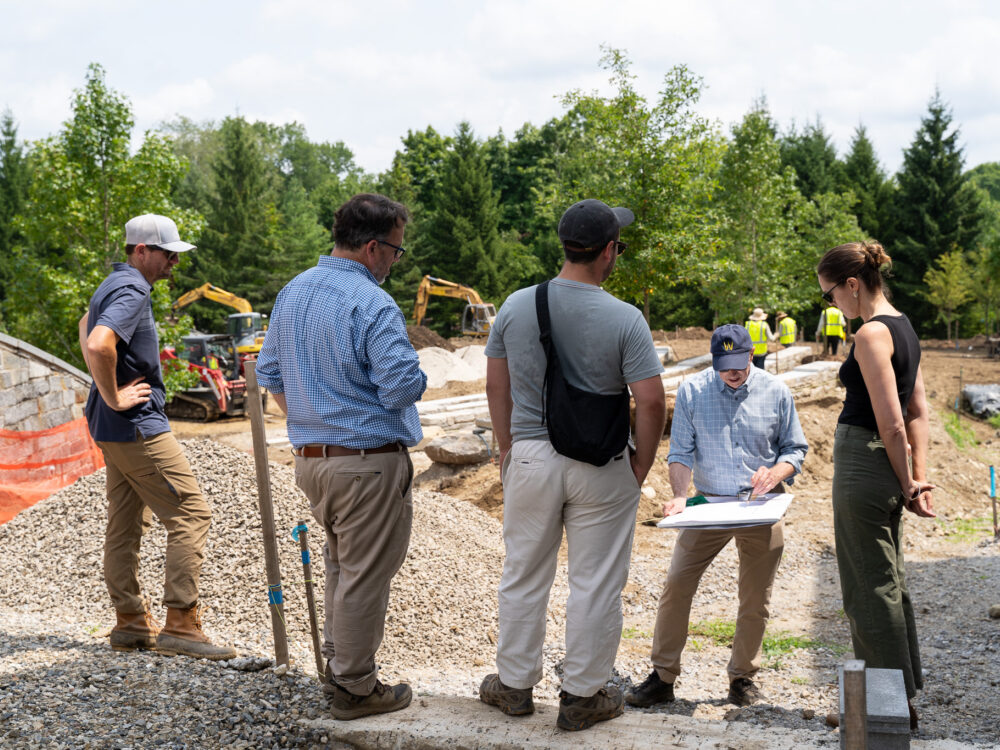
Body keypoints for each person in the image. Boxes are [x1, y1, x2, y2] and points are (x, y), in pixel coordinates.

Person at [478, 199, 666, 731]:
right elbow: (650, 401)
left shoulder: (515, 306)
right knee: (596, 581)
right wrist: (640, 468)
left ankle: (513, 686)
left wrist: (508, 448)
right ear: (607, 251)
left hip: (532, 456)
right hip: (602, 463)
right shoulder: (625, 319)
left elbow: (497, 383)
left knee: (523, 573)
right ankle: (583, 696)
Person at [255, 193, 426, 721]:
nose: (396, 263)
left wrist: (314, 419)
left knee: (341, 569)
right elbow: (400, 387)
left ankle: (341, 668)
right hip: (367, 461)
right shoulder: (372, 302)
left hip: (314, 461)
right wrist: (421, 374)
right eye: (396, 252)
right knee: (363, 576)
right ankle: (354, 687)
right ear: (373, 247)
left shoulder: (294, 292)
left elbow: (269, 375)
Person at [78, 214, 236, 661]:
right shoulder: (132, 288)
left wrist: (104, 398)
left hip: (110, 430)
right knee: (192, 513)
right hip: (137, 426)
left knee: (126, 522)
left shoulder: (111, 283)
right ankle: (181, 624)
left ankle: (129, 622)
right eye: (168, 254)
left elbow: (84, 326)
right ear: (142, 249)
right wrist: (115, 395)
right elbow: (98, 343)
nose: (173, 264)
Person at [625, 324, 808, 709]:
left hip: (763, 506)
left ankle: (742, 679)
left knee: (755, 597)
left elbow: (795, 449)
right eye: (724, 366)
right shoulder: (693, 390)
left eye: (739, 365)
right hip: (708, 504)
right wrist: (679, 496)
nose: (733, 373)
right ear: (713, 361)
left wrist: (775, 472)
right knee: (677, 584)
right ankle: (662, 676)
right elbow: (680, 452)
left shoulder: (776, 391)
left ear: (752, 356)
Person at [816, 241, 934, 730]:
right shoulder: (904, 326)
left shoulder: (870, 334)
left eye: (829, 296)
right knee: (888, 581)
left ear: (852, 284)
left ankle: (888, 707)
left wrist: (909, 481)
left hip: (865, 463)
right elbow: (918, 413)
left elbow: (891, 423)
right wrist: (917, 478)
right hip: (885, 467)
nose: (832, 306)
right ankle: (902, 694)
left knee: (867, 588)